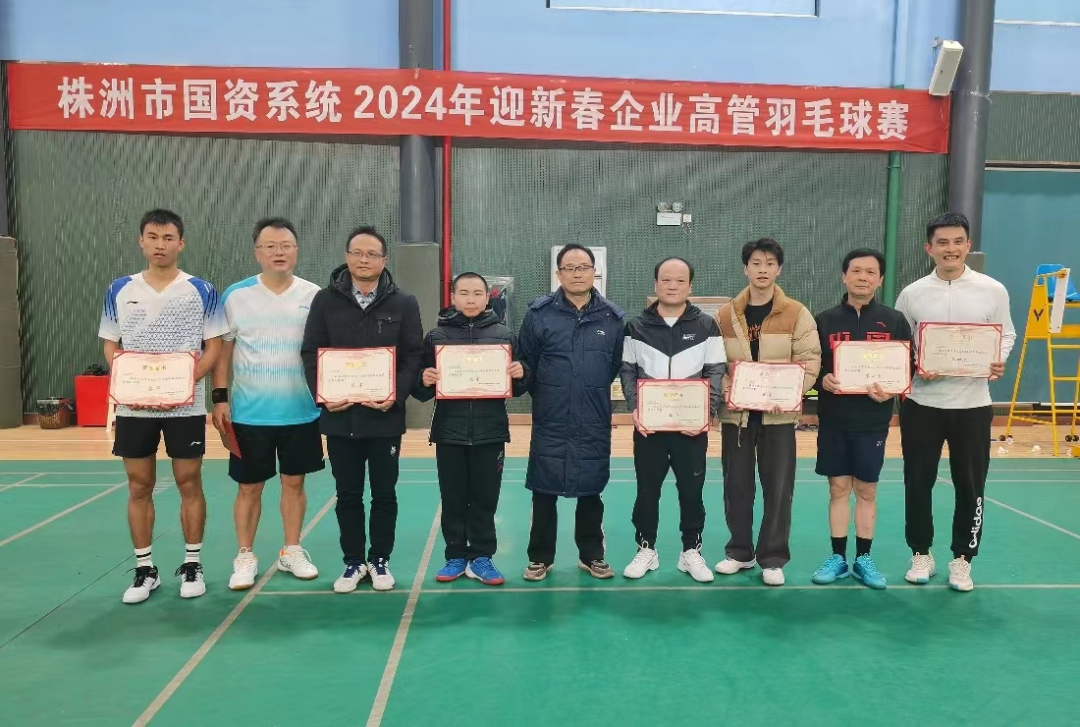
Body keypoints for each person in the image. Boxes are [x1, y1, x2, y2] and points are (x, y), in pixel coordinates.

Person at [99, 208, 228, 604]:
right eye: (153, 237)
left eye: (168, 238)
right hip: (135, 406)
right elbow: (111, 345)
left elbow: (214, 347)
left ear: (181, 243)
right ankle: (145, 570)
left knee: (189, 482)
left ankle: (192, 565)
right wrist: (135, 381)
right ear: (141, 241)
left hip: (184, 406)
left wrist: (183, 382)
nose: (160, 245)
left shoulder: (202, 290)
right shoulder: (119, 289)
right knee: (139, 485)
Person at [895, 212, 1015, 592]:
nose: (951, 248)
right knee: (918, 483)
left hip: (973, 406)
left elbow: (1006, 334)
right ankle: (921, 554)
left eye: (958, 241)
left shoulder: (992, 290)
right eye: (942, 242)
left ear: (968, 245)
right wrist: (917, 364)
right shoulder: (912, 294)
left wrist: (996, 361)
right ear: (928, 248)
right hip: (922, 404)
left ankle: (963, 559)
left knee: (971, 485)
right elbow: (901, 343)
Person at [301, 226, 424, 593]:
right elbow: (311, 352)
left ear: (384, 260)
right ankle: (353, 561)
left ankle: (380, 559)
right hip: (340, 418)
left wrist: (395, 396)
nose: (364, 259)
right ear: (347, 257)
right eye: (357, 252)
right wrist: (324, 395)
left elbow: (413, 356)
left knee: (385, 494)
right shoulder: (324, 300)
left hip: (385, 418)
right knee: (348, 494)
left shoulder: (404, 302)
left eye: (372, 254)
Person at [212, 218, 324, 591]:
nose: (279, 252)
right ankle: (245, 555)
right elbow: (224, 352)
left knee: (294, 482)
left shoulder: (314, 296)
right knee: (249, 487)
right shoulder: (236, 296)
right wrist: (219, 397)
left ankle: (291, 549)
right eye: (270, 246)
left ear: (296, 251)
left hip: (301, 411)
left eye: (286, 245)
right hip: (249, 414)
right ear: (257, 252)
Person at [713, 238, 821, 587]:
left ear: (779, 269)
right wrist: (727, 390)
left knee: (778, 489)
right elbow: (716, 364)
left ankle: (773, 558)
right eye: (756, 263)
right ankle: (739, 552)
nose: (763, 269)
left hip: (779, 417)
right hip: (738, 417)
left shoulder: (797, 313)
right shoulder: (725, 315)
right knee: (736, 487)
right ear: (745, 268)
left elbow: (810, 360)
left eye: (770, 263)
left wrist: (789, 393)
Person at [518, 243, 626, 581]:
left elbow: (613, 366)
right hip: (550, 415)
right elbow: (526, 362)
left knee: (591, 489)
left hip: (593, 416)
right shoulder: (539, 314)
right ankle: (540, 557)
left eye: (583, 267)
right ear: (558, 273)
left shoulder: (612, 318)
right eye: (570, 268)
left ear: (595, 271)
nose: (577, 274)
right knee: (543, 489)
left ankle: (592, 555)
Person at [414, 272, 528, 586]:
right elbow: (420, 387)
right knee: (452, 498)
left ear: (487, 297)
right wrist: (424, 378)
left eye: (477, 293)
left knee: (485, 498)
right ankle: (455, 555)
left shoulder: (504, 335)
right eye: (463, 293)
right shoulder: (436, 336)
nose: (470, 299)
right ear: (453, 297)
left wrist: (521, 373)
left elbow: (520, 386)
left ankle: (481, 557)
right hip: (449, 431)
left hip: (490, 432)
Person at [811, 249, 912, 590]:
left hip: (872, 421)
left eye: (870, 272)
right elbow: (810, 366)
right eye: (856, 271)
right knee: (838, 488)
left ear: (880, 279)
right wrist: (821, 380)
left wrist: (892, 391)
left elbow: (906, 367)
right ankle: (838, 558)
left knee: (866, 489)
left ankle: (864, 559)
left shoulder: (894, 321)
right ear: (844, 276)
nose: (862, 277)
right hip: (834, 419)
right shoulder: (824, 320)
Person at [619, 257, 726, 583]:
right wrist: (635, 407)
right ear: (655, 284)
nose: (672, 286)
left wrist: (706, 412)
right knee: (647, 490)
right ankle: (646, 549)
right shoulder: (635, 327)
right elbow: (628, 370)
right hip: (649, 427)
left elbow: (716, 370)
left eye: (680, 281)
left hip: (691, 428)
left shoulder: (707, 326)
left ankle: (690, 550)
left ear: (690, 286)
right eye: (666, 280)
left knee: (691, 491)